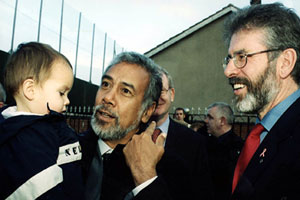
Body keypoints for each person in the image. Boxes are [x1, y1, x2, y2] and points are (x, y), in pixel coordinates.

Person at [223, 3, 300, 199]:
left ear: (285, 63)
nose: (228, 71)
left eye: (242, 57)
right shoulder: (257, 136)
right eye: (229, 58)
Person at [0, 42, 84, 199]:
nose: (67, 101)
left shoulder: (34, 129)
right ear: (30, 90)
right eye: (61, 93)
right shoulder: (33, 139)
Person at [79, 51, 167, 200]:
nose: (107, 97)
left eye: (125, 91)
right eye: (106, 84)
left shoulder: (166, 170)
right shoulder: (64, 151)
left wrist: (145, 176)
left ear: (147, 111)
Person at [136, 66, 213, 199]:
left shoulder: (194, 142)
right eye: (151, 91)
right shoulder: (128, 137)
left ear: (171, 94)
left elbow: (203, 192)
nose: (156, 97)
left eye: (161, 91)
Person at [204, 102, 243, 200]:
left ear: (222, 121)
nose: (206, 121)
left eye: (210, 118)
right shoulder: (206, 142)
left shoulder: (237, 146)